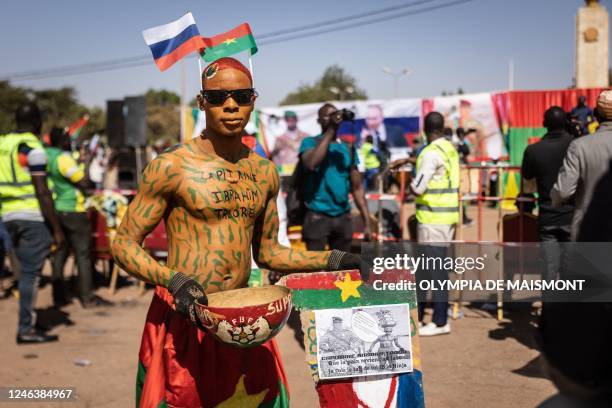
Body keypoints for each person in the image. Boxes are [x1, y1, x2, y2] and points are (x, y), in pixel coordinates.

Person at [111, 57, 367, 408]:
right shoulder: (171, 167)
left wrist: (334, 259)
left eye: (241, 96)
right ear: (202, 103)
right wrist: (174, 280)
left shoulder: (264, 172)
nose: (230, 105)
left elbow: (270, 254)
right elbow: (124, 243)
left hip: (248, 321)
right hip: (186, 320)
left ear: (253, 101)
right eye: (218, 98)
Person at [0, 103, 65, 344]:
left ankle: (29, 319)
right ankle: (26, 329)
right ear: (37, 121)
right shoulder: (33, 148)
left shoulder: (3, 145)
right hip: (32, 219)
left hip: (7, 217)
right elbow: (42, 192)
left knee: (24, 274)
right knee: (30, 275)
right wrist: (57, 229)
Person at [46, 127, 112, 308]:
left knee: (61, 252)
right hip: (74, 210)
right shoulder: (63, 158)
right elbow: (82, 180)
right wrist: (88, 160)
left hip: (57, 209)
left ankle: (58, 296)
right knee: (83, 254)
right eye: (67, 137)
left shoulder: (48, 156)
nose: (70, 140)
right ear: (61, 140)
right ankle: (87, 297)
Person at [411, 111, 459, 336]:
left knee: (435, 272)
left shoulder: (429, 153)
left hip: (432, 219)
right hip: (447, 217)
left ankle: (440, 322)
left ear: (425, 130)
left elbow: (418, 187)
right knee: (431, 269)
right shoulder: (449, 149)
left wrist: (411, 177)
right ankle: (422, 317)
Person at [299, 103, 372, 251]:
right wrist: (331, 130)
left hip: (342, 218)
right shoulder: (309, 143)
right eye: (328, 115)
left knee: (341, 270)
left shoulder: (347, 148)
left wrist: (367, 223)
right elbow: (312, 163)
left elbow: (357, 188)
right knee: (315, 271)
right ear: (319, 120)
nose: (334, 118)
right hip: (316, 216)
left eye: (336, 114)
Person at [521, 107, 574, 280]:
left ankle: (550, 308)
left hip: (547, 219)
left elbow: (528, 188)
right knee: (571, 274)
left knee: (549, 273)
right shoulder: (577, 145)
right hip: (573, 218)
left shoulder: (533, 151)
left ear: (544, 123)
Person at [551, 91, 612, 242]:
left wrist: (555, 201)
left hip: (589, 233)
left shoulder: (579, 146)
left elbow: (563, 192)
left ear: (596, 114)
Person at [269, 110, 307, 176]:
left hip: (302, 172)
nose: (290, 121)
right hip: (285, 172)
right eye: (288, 119)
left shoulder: (305, 136)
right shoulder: (280, 138)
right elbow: (274, 156)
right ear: (285, 121)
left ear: (296, 120)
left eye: (292, 119)